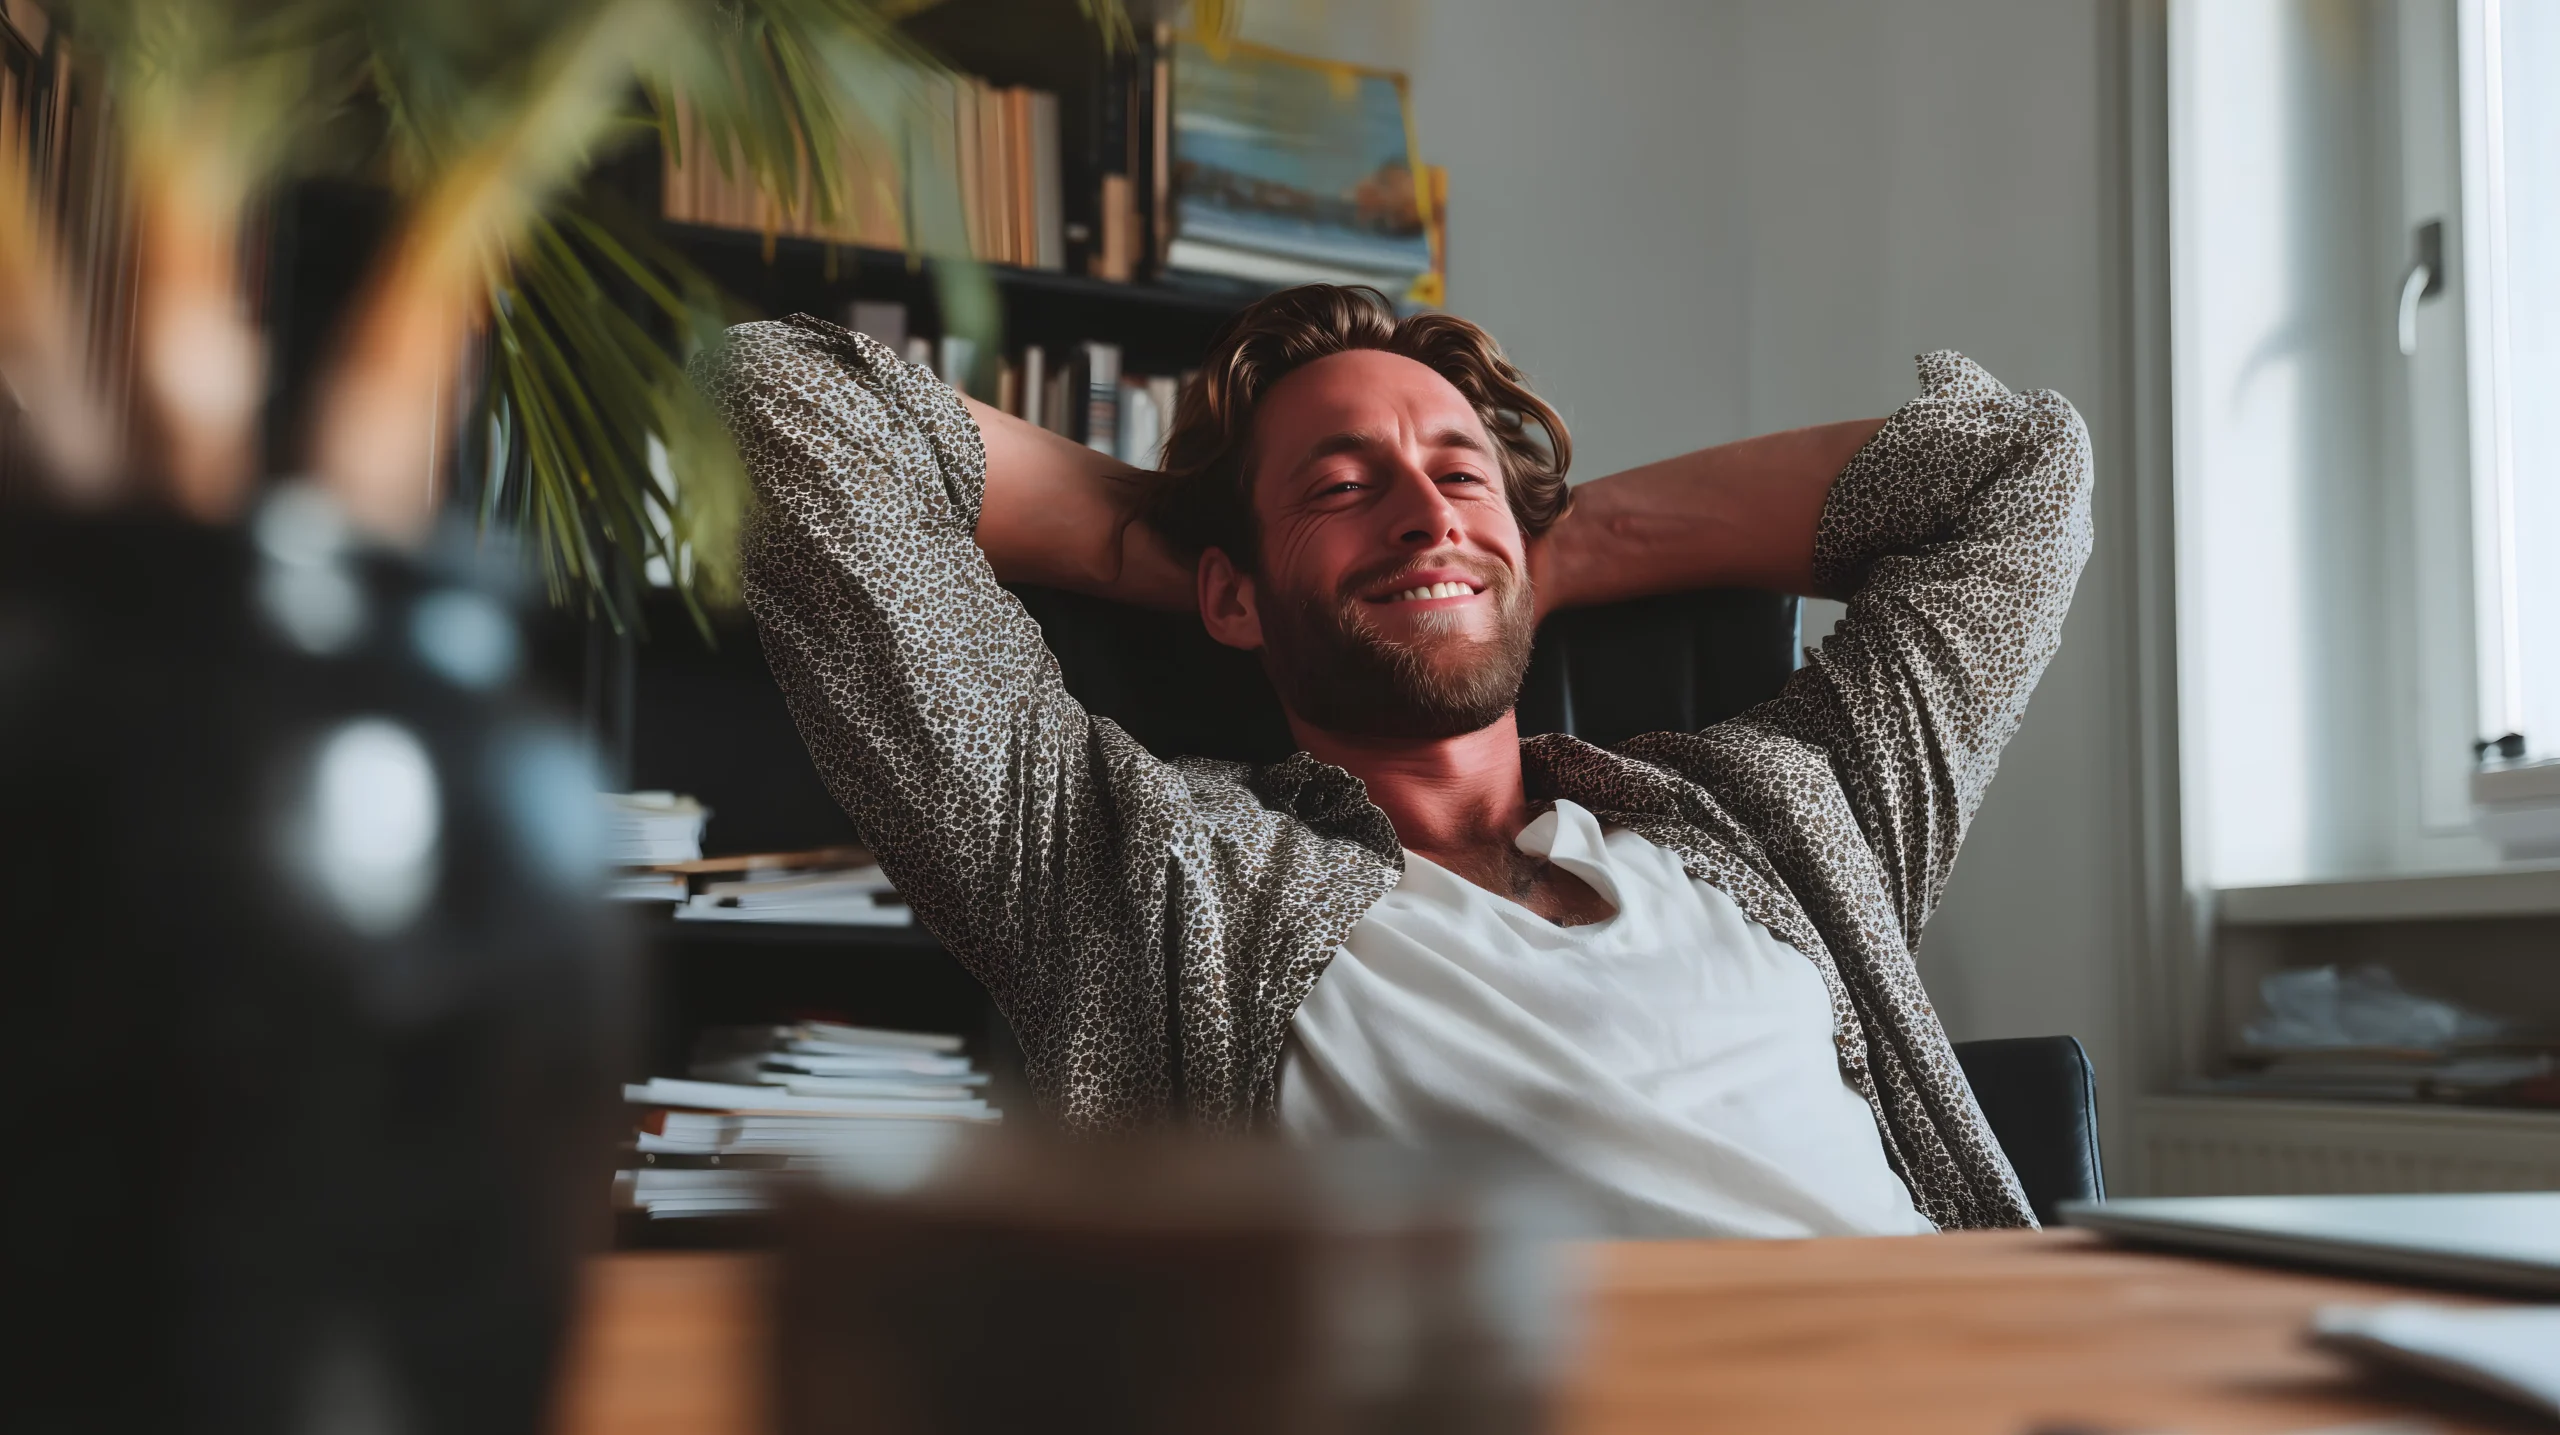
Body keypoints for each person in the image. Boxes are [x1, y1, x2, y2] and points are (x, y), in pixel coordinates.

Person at [698, 284, 2091, 1238]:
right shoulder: (1135, 871)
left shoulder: (1784, 814)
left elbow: (2019, 480)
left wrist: (1552, 541)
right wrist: (1177, 543)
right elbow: (782, 403)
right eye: (1345, 485)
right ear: (1234, 597)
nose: (1426, 512)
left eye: (1460, 471)